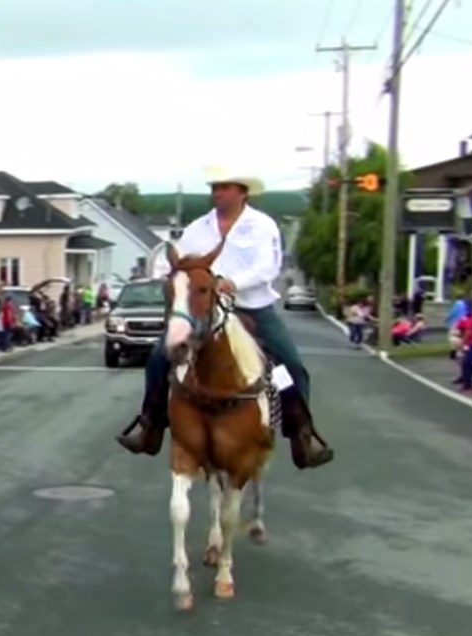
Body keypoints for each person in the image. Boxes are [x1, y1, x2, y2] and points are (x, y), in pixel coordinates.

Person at [115, 171, 334, 470]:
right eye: (215, 187)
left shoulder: (262, 226)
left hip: (252, 307)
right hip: (204, 308)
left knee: (291, 366)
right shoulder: (196, 228)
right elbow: (176, 260)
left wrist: (232, 282)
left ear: (242, 192)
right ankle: (150, 426)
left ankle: (302, 435)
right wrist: (180, 280)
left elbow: (267, 268)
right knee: (158, 358)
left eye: (224, 188)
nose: (217, 193)